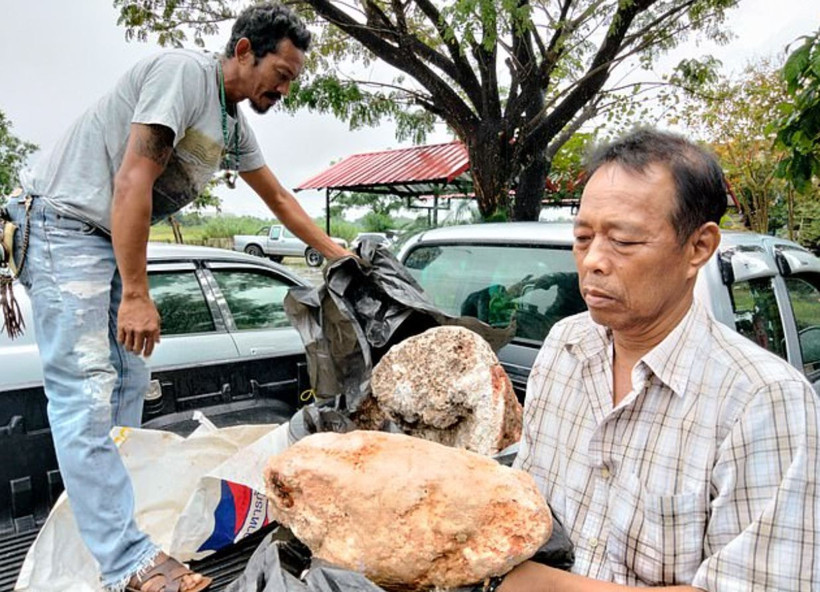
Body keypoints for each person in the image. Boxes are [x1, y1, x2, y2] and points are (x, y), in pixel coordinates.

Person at [4, 3, 347, 591]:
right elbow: (133, 179)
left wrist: (340, 256)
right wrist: (136, 292)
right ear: (244, 50)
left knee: (128, 385)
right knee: (86, 395)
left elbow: (281, 202)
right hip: (66, 229)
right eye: (282, 74)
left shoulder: (233, 125)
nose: (285, 89)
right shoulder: (184, 74)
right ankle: (125, 561)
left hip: (107, 238)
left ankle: (110, 535)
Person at [498, 128, 819, 591]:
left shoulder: (765, 401)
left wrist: (531, 585)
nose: (593, 262)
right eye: (583, 237)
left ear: (698, 248)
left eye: (624, 242)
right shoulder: (564, 346)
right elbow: (527, 510)